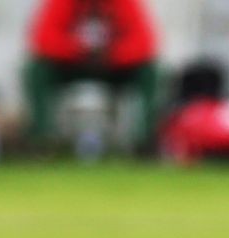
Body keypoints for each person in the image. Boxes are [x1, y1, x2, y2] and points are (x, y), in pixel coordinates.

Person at [22, 0, 160, 156]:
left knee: (150, 70)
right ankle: (41, 139)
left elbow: (144, 40)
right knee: (37, 70)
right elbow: (42, 37)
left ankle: (146, 140)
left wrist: (111, 54)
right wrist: (77, 50)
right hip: (72, 63)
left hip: (113, 65)